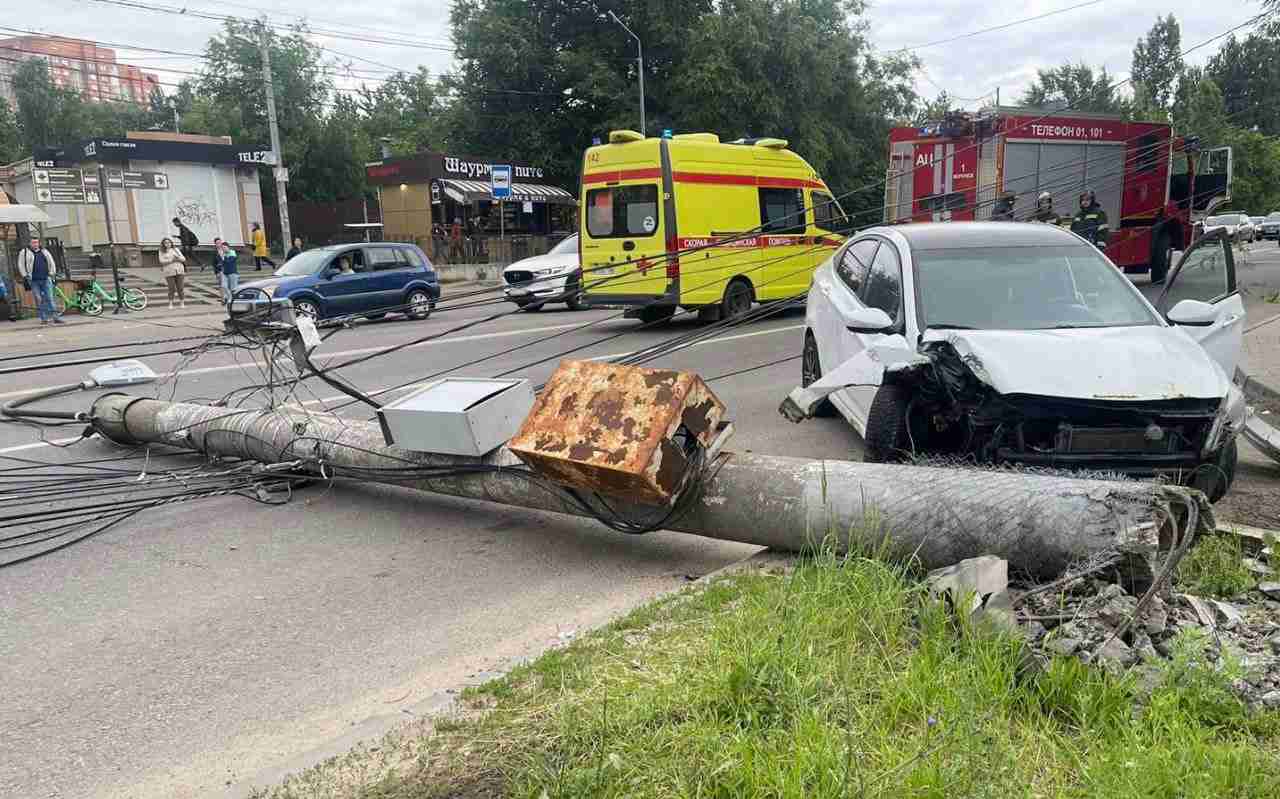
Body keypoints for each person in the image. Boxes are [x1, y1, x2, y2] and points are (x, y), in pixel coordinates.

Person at [17, 236, 64, 325]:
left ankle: (56, 318)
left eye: (36, 242)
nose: (35, 244)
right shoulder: (24, 252)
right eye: (33, 242)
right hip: (33, 280)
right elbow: (21, 264)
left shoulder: (44, 251)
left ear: (39, 243)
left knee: (50, 298)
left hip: (46, 278)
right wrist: (25, 275)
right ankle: (44, 319)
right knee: (39, 299)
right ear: (30, 244)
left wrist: (52, 273)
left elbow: (51, 262)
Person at [158, 237, 187, 309]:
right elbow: (161, 261)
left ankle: (182, 303)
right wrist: (171, 260)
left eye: (169, 242)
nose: (168, 244)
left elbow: (183, 259)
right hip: (169, 272)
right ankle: (171, 304)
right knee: (171, 288)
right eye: (166, 243)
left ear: (171, 243)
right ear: (163, 244)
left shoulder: (175, 249)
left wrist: (177, 257)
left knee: (180, 287)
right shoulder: (161, 251)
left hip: (179, 270)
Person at [216, 240, 240, 304]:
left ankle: (233, 301)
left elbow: (229, 261)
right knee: (223, 286)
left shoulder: (232, 253)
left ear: (228, 247)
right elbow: (219, 262)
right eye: (222, 248)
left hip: (232, 273)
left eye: (224, 247)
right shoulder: (222, 254)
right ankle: (229, 298)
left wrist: (222, 257)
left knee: (233, 289)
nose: (223, 249)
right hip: (225, 273)